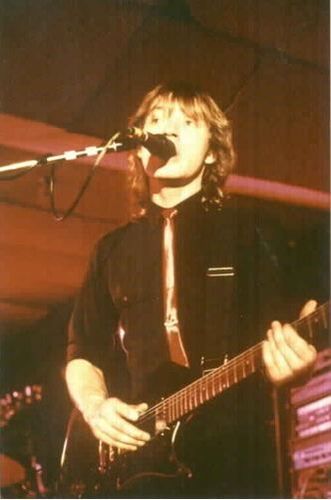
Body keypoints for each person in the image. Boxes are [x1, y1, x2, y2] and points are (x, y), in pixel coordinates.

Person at [65, 82, 317, 497]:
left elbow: (294, 328)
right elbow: (82, 353)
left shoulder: (254, 231)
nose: (170, 129)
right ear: (140, 146)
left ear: (213, 152)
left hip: (234, 460)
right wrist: (95, 408)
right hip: (140, 466)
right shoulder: (111, 250)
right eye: (158, 121)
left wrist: (299, 366)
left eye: (187, 121)